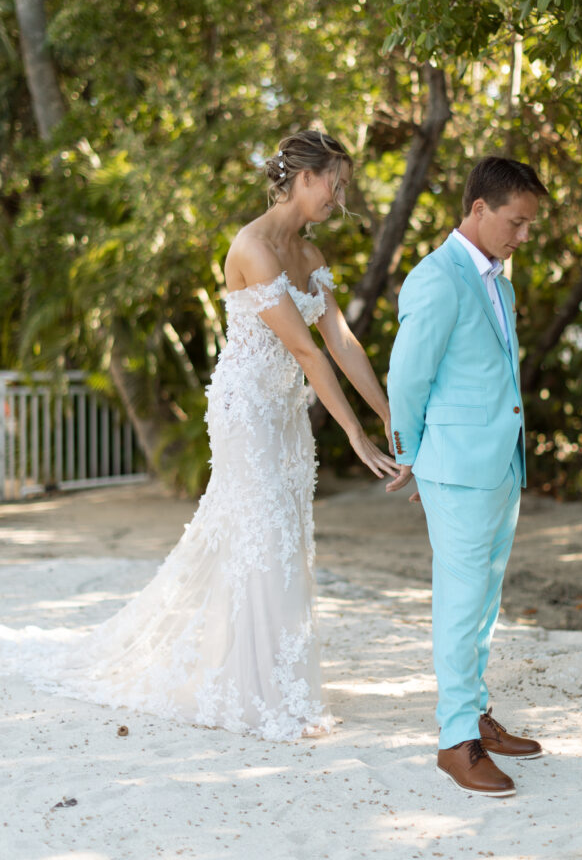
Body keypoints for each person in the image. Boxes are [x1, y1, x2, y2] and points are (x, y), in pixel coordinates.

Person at [1, 130, 398, 741]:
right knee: (264, 532)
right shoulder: (253, 248)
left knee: (284, 533)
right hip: (246, 411)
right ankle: (258, 694)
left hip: (285, 412)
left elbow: (341, 344)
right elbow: (305, 351)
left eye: (343, 185)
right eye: (334, 182)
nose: (339, 195)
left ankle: (271, 676)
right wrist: (354, 434)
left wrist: (389, 415)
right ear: (303, 177)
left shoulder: (311, 258)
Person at [386, 155, 548, 797]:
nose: (523, 235)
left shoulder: (499, 282)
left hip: (500, 462)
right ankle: (457, 742)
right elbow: (407, 377)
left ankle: (476, 712)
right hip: (455, 469)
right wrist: (411, 455)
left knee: (484, 602)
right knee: (459, 607)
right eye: (516, 221)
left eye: (530, 224)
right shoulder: (435, 279)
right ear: (479, 209)